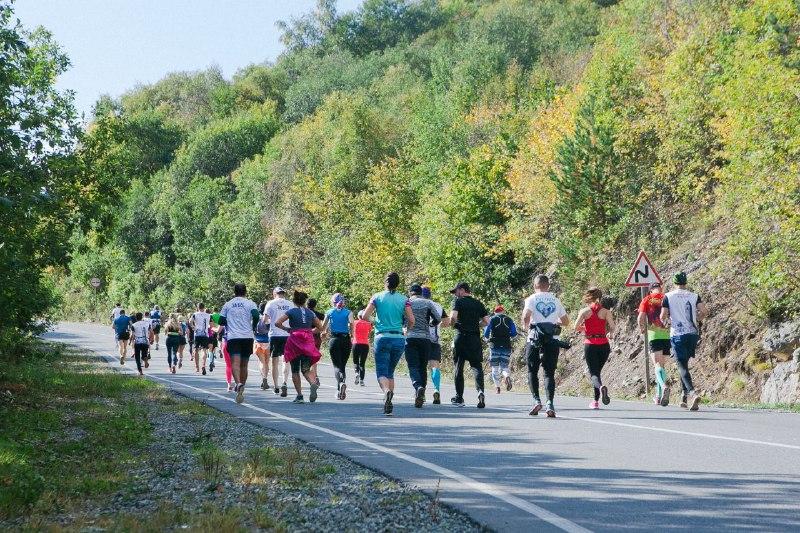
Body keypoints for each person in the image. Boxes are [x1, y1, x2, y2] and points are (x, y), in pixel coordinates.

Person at [362, 272, 415, 415]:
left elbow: (365, 316)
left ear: (385, 282)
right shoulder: (404, 299)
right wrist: (406, 331)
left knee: (381, 371)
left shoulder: (377, 297)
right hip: (398, 338)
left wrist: (376, 321)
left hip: (382, 337)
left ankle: (386, 392)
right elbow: (411, 320)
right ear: (398, 284)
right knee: (390, 371)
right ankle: (389, 403)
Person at [523, 274, 570, 418]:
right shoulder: (556, 300)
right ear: (548, 286)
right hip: (552, 340)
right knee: (549, 373)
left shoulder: (531, 299)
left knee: (532, 371)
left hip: (534, 339)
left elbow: (526, 315)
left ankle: (536, 400)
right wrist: (554, 323)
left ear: (534, 285)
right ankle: (550, 403)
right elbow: (566, 321)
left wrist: (526, 327)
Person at [660, 272, 707, 411]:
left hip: (678, 334)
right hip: (692, 334)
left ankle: (692, 393)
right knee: (684, 364)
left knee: (681, 366)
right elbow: (704, 311)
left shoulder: (668, 296)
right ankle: (683, 398)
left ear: (674, 283)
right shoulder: (694, 295)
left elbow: (663, 315)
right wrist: (698, 319)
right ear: (686, 282)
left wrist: (666, 322)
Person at [273, 291, 321, 404]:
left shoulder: (291, 311)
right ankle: (313, 384)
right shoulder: (310, 313)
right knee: (305, 369)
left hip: (294, 340)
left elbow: (277, 323)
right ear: (304, 301)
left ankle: (299, 396)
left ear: (294, 301)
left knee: (295, 370)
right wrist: (310, 331)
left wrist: (288, 329)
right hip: (307, 340)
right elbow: (320, 327)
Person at [448, 282, 489, 408]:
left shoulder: (458, 302)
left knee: (459, 367)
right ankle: (480, 391)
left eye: (456, 291)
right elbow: (487, 321)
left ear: (462, 290)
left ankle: (459, 398)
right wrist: (477, 326)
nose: (455, 294)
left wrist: (453, 324)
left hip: (461, 337)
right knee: (476, 366)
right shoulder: (478, 303)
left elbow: (453, 317)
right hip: (474, 338)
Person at [219, 283, 260, 404]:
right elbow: (256, 315)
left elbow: (221, 320)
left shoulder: (228, 304)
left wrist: (228, 322)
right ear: (245, 292)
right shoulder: (250, 303)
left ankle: (238, 383)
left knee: (234, 364)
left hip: (233, 337)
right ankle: (242, 389)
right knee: (244, 365)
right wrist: (253, 326)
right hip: (247, 336)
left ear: (234, 292)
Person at [575, 288, 615, 409]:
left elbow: (576, 327)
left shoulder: (584, 311)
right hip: (604, 344)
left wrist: (586, 328)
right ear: (600, 297)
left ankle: (599, 393)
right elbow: (612, 326)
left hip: (590, 344)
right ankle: (595, 400)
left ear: (588, 297)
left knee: (594, 374)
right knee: (597, 372)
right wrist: (610, 334)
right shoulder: (606, 311)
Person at [405, 284, 442, 408]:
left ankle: (418, 386)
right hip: (425, 338)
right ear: (420, 292)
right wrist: (431, 324)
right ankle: (422, 392)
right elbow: (438, 318)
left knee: (412, 365)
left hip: (410, 337)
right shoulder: (428, 303)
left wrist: (405, 326)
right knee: (422, 366)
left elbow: (401, 319)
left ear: (410, 293)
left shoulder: (407, 302)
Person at [638, 282, 672, 406]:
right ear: (660, 289)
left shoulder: (647, 299)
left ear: (650, 290)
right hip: (667, 335)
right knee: (662, 367)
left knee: (657, 365)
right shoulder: (666, 298)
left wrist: (641, 328)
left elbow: (640, 317)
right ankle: (658, 396)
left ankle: (663, 386)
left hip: (654, 334)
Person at [321, 293, 354, 400]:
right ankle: (341, 386)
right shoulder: (348, 312)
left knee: (336, 366)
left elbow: (323, 327)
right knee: (343, 365)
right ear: (343, 302)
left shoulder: (329, 312)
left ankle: (340, 385)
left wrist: (324, 333)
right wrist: (352, 336)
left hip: (334, 340)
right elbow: (352, 325)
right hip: (346, 340)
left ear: (333, 302)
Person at [265, 287, 293, 397]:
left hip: (275, 334)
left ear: (274, 294)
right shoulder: (290, 304)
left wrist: (271, 321)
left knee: (274, 361)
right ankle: (284, 382)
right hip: (287, 335)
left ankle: (276, 386)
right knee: (286, 360)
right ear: (283, 294)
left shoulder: (270, 303)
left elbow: (265, 320)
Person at [483, 305, 518, 394]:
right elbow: (514, 334)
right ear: (503, 311)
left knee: (495, 367)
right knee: (504, 366)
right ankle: (506, 376)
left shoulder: (492, 319)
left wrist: (486, 339)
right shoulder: (509, 320)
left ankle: (497, 387)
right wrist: (509, 335)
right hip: (506, 345)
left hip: (495, 345)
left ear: (495, 311)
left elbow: (487, 332)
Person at [422, 287, 448, 404]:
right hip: (435, 339)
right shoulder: (438, 306)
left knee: (421, 366)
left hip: (421, 338)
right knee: (434, 366)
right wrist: (437, 326)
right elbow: (447, 322)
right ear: (430, 295)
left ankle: (421, 391)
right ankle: (436, 389)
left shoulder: (417, 304)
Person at [351, 309, 372, 386]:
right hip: (365, 344)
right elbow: (369, 334)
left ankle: (356, 373)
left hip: (356, 343)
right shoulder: (368, 324)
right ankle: (362, 380)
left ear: (358, 316)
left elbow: (351, 330)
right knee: (362, 363)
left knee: (355, 361)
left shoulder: (355, 322)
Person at [254, 303, 272, 391]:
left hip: (258, 341)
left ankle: (263, 378)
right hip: (267, 342)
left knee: (261, 361)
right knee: (267, 362)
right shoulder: (268, 319)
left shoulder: (256, 318)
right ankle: (266, 379)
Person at [190, 303, 211, 375]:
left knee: (196, 350)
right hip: (205, 334)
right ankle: (203, 365)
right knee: (204, 350)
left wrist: (193, 327)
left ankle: (197, 367)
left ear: (197, 307)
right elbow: (211, 324)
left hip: (197, 334)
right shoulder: (208, 315)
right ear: (204, 307)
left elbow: (190, 321)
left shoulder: (195, 314)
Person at [131, 311, 153, 376]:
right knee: (144, 354)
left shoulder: (134, 325)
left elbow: (132, 335)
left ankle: (140, 371)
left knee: (137, 357)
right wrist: (151, 339)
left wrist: (130, 340)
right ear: (142, 317)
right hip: (145, 341)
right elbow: (151, 332)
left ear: (136, 318)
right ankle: (145, 359)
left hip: (137, 342)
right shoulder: (147, 324)